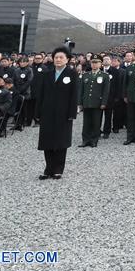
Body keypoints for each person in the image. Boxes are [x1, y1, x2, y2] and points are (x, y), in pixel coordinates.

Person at [34, 47, 79, 179]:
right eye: (56, 57)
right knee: (46, 140)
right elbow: (40, 94)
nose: (58, 59)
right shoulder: (47, 74)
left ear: (67, 59)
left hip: (63, 113)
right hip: (47, 111)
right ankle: (48, 168)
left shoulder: (72, 74)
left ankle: (58, 168)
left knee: (61, 140)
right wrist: (38, 112)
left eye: (61, 57)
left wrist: (72, 113)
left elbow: (74, 95)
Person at [78, 57, 110, 148]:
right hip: (87, 101)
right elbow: (81, 90)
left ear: (100, 64)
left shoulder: (104, 75)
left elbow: (106, 91)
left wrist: (104, 102)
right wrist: (80, 102)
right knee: (86, 122)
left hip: (97, 102)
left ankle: (94, 140)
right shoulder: (85, 75)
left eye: (96, 63)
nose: (94, 64)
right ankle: (85, 140)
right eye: (93, 63)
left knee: (96, 122)